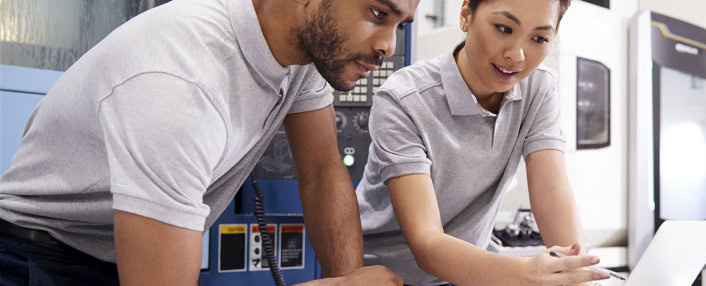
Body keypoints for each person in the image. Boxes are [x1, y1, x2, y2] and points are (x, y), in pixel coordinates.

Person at [0, 0, 418, 284]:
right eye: (378, 12)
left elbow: (322, 171)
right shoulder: (179, 80)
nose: (387, 45)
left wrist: (350, 279)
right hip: (36, 259)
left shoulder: (303, 50)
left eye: (401, 25)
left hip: (117, 255)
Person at [354, 0, 607, 285]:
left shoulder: (538, 88)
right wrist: (526, 273)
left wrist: (577, 274)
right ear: (465, 15)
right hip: (384, 275)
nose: (517, 55)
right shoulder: (404, 99)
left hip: (468, 273)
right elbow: (426, 244)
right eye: (503, 28)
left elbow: (553, 190)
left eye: (539, 38)